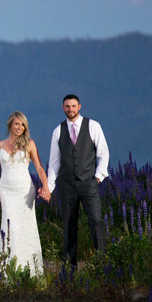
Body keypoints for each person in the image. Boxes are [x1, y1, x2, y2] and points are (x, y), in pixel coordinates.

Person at [47, 94, 110, 268]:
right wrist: (49, 187)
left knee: (96, 220)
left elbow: (103, 153)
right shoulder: (58, 131)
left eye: (73, 106)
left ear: (80, 106)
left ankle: (102, 261)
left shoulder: (93, 126)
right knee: (68, 224)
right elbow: (54, 162)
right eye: (67, 106)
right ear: (63, 108)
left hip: (89, 183)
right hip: (67, 185)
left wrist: (98, 176)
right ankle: (69, 265)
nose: (71, 109)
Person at [0, 111, 51, 276]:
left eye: (22, 124)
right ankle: (7, 272)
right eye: (17, 124)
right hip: (6, 191)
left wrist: (45, 186)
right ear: (10, 124)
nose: (19, 127)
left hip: (25, 191)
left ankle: (31, 272)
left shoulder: (30, 144)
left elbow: (39, 167)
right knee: (8, 227)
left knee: (26, 228)